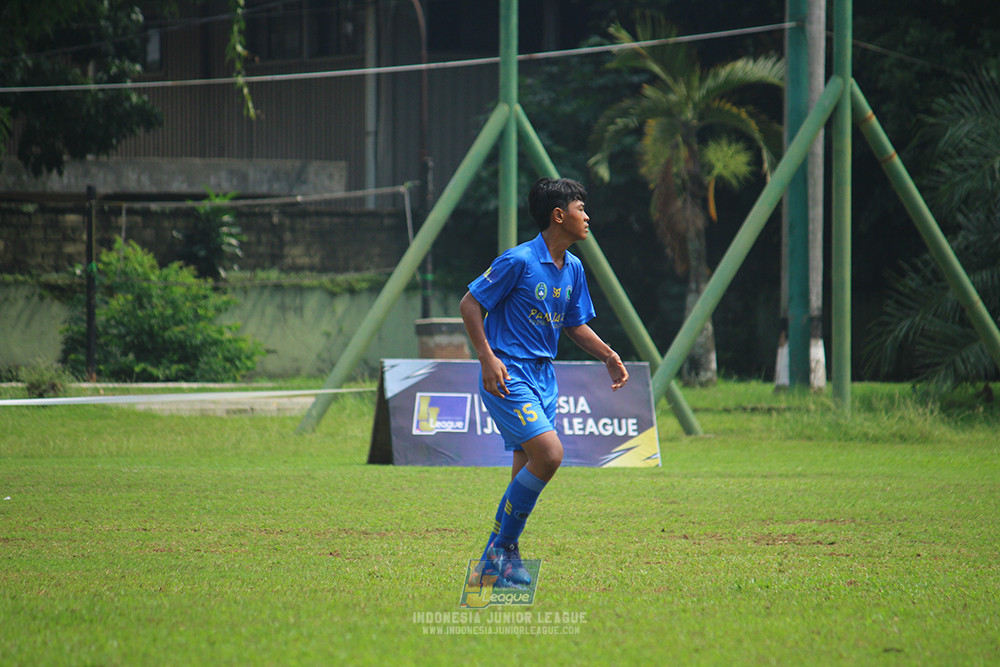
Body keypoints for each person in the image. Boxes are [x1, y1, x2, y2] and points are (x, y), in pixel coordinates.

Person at [459, 177, 629, 587]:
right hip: (509, 372)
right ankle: (505, 550)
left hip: (543, 376)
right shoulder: (517, 260)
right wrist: (487, 357)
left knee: (527, 468)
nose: (587, 217)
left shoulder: (573, 267)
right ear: (559, 215)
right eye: (580, 209)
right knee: (550, 455)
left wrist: (608, 354)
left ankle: (488, 569)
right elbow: (470, 304)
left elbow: (574, 325)